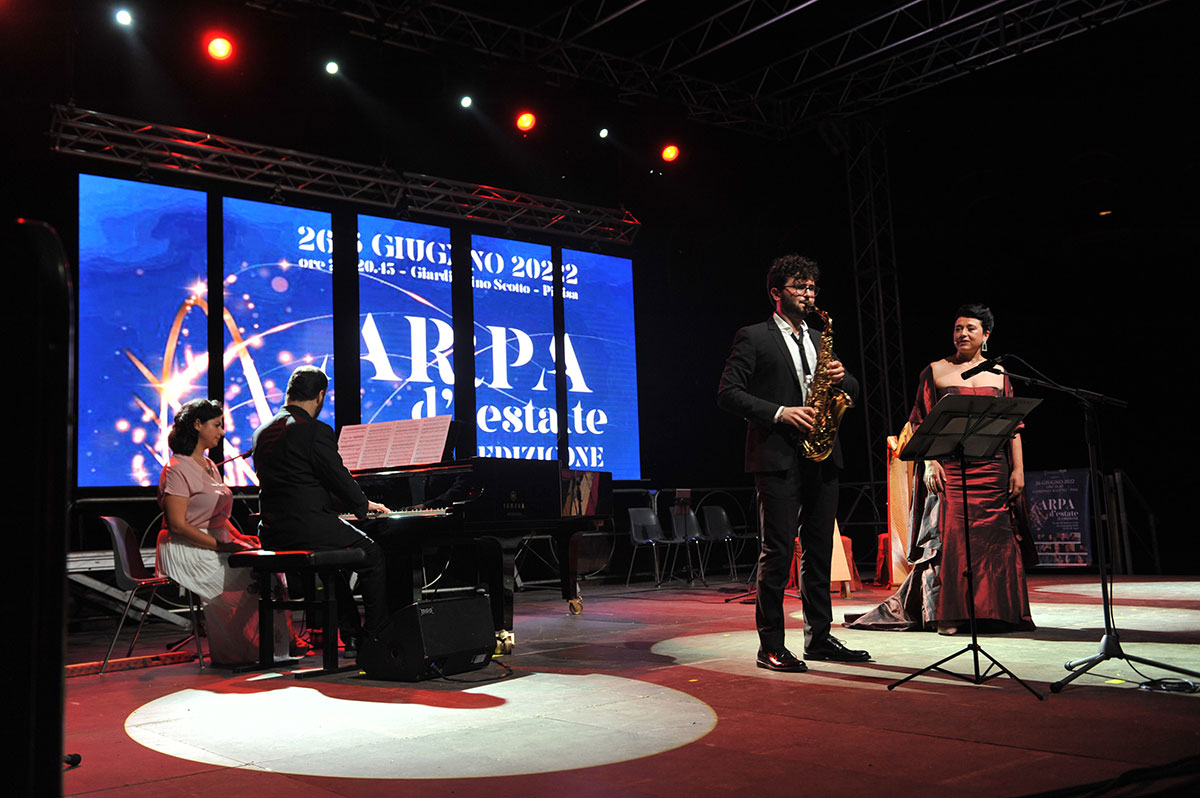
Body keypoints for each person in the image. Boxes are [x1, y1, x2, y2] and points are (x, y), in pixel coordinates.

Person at [718, 254, 871, 672]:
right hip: (777, 456)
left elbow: (852, 390)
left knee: (820, 550)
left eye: (812, 288)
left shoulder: (821, 339)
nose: (808, 295)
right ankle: (770, 645)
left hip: (822, 454)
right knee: (779, 550)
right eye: (799, 287)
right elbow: (728, 393)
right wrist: (780, 412)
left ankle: (819, 638)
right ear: (776, 292)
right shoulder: (753, 336)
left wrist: (843, 377)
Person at [847, 303, 1035, 634]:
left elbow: (1013, 427)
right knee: (952, 540)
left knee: (995, 540)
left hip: (992, 469)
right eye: (958, 328)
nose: (962, 334)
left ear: (986, 335)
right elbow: (919, 423)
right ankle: (949, 614)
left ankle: (997, 613)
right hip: (950, 468)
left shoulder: (1000, 373)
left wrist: (1018, 470)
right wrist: (930, 463)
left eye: (970, 328)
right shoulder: (935, 370)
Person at [252, 366, 391, 654]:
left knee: (333, 565)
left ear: (289, 393)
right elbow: (337, 477)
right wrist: (362, 505)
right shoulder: (313, 430)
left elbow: (295, 482)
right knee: (373, 555)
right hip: (309, 528)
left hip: (273, 533)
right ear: (320, 396)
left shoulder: (261, 432)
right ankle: (375, 639)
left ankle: (352, 635)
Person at [156, 398, 289, 665]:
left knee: (270, 570)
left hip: (213, 542)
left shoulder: (208, 465)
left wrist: (238, 538)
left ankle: (271, 647)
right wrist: (223, 546)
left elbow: (217, 516)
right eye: (216, 425)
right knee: (248, 577)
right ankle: (241, 651)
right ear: (197, 425)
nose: (222, 431)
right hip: (184, 547)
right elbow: (178, 525)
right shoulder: (176, 469)